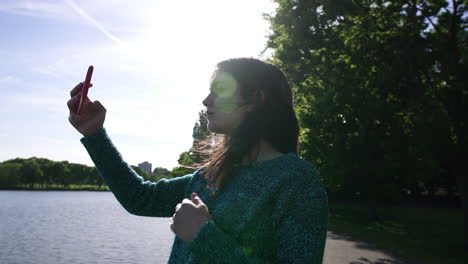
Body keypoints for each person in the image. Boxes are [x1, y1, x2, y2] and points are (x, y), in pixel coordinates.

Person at [67, 58, 328, 263]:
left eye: (219, 90)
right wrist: (94, 134)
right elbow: (139, 198)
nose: (206, 101)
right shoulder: (208, 175)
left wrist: (203, 236)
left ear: (255, 100)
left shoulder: (297, 180)